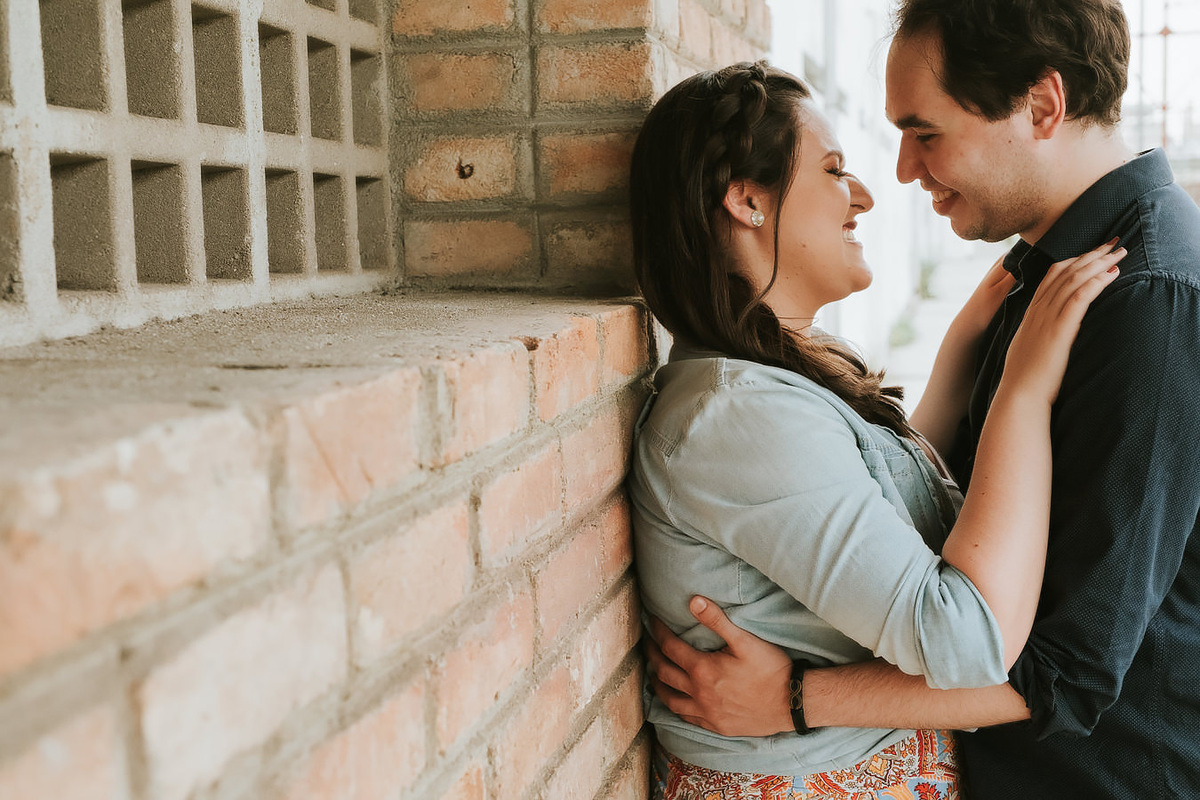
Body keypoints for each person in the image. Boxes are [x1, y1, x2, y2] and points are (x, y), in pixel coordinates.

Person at [646, 1, 1200, 798]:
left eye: (926, 132)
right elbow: (925, 516)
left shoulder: (1147, 299)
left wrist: (793, 699)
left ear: (1041, 105)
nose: (901, 171)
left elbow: (1066, 671)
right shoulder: (1043, 273)